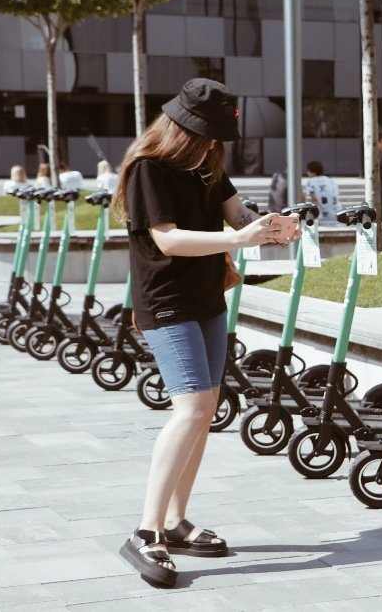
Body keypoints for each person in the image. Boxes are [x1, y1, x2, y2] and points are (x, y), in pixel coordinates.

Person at [112, 78, 295, 588]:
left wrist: (274, 225)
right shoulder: (149, 169)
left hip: (207, 300)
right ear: (185, 130)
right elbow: (167, 241)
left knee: (206, 409)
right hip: (166, 303)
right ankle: (145, 531)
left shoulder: (209, 165)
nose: (216, 145)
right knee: (190, 408)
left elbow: (240, 215)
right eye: (209, 135)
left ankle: (174, 521)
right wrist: (237, 238)